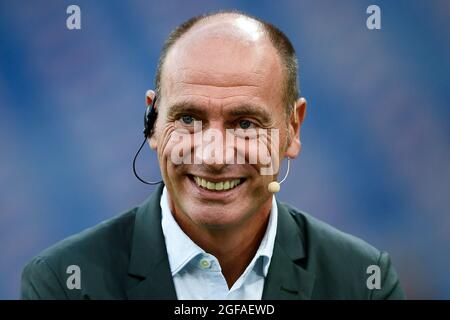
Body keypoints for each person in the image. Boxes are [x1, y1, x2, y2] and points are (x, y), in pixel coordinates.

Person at [21, 10, 405, 300]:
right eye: (189, 118)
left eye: (245, 123)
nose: (215, 155)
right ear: (153, 122)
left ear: (293, 128)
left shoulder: (362, 281)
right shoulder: (62, 283)